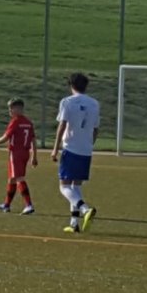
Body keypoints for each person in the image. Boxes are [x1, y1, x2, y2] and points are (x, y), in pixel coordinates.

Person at [52, 73, 100, 233]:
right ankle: (74, 223)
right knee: (76, 185)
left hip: (71, 148)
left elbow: (62, 125)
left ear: (71, 85)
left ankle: (85, 209)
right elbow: (96, 129)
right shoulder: (94, 103)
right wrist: (89, 145)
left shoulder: (67, 102)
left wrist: (55, 148)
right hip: (86, 150)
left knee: (64, 186)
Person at [0, 98, 37, 215]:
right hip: (25, 153)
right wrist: (34, 155)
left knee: (19, 178)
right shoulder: (28, 122)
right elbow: (33, 139)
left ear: (19, 108)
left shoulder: (15, 122)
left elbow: (6, 137)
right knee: (12, 179)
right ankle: (7, 204)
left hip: (15, 153)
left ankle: (28, 205)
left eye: (11, 108)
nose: (9, 111)